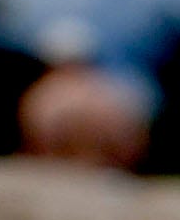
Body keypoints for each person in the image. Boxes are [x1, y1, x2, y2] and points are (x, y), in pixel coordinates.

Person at [16, 22, 149, 170]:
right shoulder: (111, 95)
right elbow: (129, 145)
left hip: (56, 178)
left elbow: (37, 141)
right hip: (106, 179)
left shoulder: (42, 97)